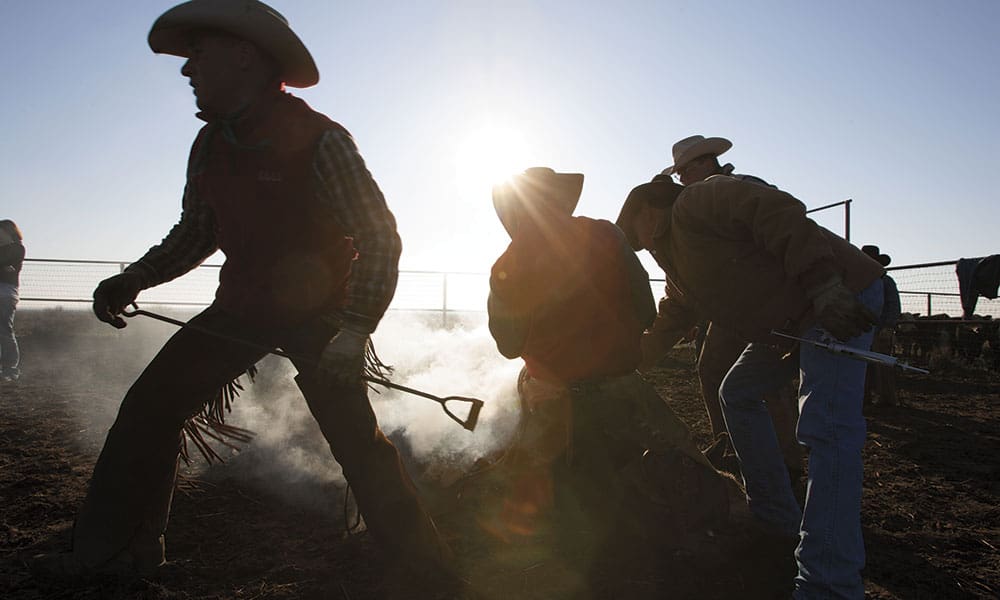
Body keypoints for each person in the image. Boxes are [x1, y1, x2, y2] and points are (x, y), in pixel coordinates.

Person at [33, 0, 454, 590]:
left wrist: (355, 328)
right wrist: (134, 279)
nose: (187, 71)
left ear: (244, 57)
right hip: (242, 308)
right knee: (148, 410)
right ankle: (114, 552)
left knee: (357, 445)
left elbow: (379, 235)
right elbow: (196, 232)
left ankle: (426, 574)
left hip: (324, 316)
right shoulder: (209, 145)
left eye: (197, 56)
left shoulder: (322, 140)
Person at [619, 173, 883, 599]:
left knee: (827, 429)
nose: (644, 248)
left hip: (839, 300)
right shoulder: (676, 257)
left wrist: (824, 285)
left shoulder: (701, 199)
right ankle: (776, 518)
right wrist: (627, 362)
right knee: (736, 392)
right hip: (794, 324)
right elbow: (676, 311)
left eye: (638, 237)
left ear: (646, 211)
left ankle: (829, 585)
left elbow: (776, 211)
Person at [485, 167, 728, 547]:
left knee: (526, 462)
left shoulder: (507, 264)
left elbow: (508, 346)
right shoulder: (606, 235)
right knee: (680, 461)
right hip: (622, 386)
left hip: (555, 396)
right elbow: (646, 311)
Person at [624, 136, 801, 479]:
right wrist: (635, 359)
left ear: (705, 164)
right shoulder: (685, 223)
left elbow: (776, 222)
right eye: (679, 177)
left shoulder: (731, 192)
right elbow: (679, 300)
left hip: (765, 301)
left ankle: (783, 460)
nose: (683, 181)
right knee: (714, 368)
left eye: (686, 172)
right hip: (732, 306)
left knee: (760, 382)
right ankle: (734, 445)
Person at [861, 245, 902, 406]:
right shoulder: (880, 280)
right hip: (866, 328)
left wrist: (888, 326)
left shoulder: (884, 281)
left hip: (877, 329)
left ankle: (886, 398)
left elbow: (893, 305)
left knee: (881, 365)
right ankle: (867, 397)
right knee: (867, 365)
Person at [0, 219, 24, 382]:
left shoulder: (17, 248)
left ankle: (10, 368)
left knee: (4, 330)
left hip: (6, 292)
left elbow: (7, 264)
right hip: (6, 290)